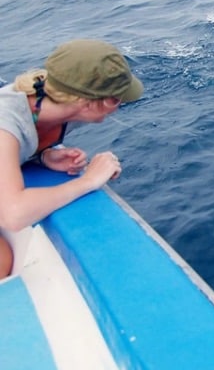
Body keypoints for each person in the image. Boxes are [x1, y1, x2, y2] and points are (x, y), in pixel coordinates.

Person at [0, 39, 143, 277]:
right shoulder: (6, 123)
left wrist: (44, 155)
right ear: (86, 103)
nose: (118, 108)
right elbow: (13, 215)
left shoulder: (48, 105)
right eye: (115, 99)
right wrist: (88, 181)